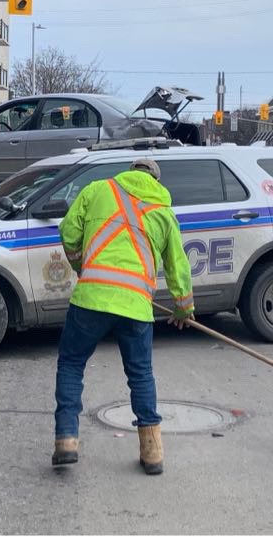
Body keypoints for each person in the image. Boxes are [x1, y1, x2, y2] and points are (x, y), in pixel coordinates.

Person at [53, 157, 193, 475]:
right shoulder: (164, 213)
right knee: (141, 375)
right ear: (156, 182)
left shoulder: (97, 190)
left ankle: (66, 440)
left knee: (72, 364)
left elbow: (69, 232)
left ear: (130, 173)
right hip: (136, 306)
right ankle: (152, 452)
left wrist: (82, 268)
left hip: (90, 299)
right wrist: (184, 308)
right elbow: (177, 266)